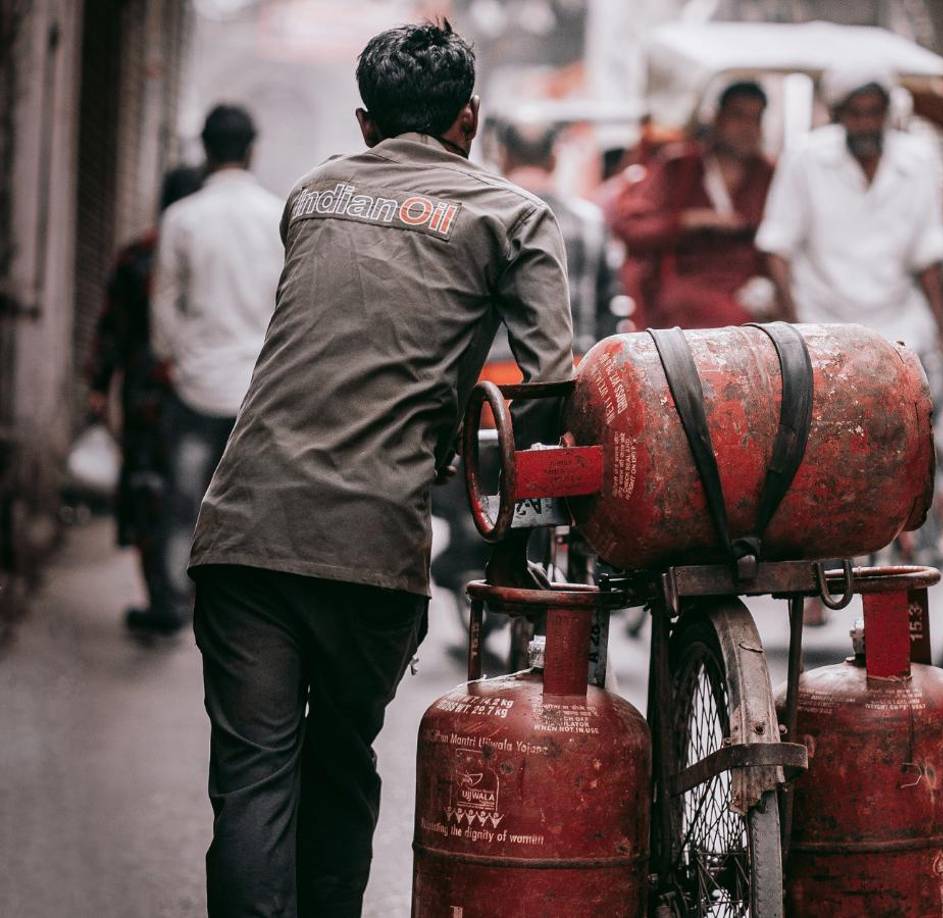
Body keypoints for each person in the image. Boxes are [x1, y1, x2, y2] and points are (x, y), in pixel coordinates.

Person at [187, 21, 573, 917]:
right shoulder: (510, 216)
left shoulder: (313, 193)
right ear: (470, 117)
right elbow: (550, 383)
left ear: (366, 125)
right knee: (339, 761)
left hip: (241, 525)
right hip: (369, 539)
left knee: (250, 779)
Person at [139, 105, 282, 637]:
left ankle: (176, 603)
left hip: (195, 383)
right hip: (256, 389)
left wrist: (175, 357)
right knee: (251, 507)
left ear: (204, 149)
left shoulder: (182, 217)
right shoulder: (277, 214)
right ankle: (243, 610)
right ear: (251, 148)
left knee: (183, 502)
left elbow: (164, 305)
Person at [756, 66, 943, 357]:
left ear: (887, 114)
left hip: (899, 328)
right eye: (855, 114)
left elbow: (928, 255)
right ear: (838, 116)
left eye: (874, 113)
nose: (866, 124)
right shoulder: (804, 158)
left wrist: (941, 333)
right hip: (819, 326)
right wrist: (794, 331)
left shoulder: (918, 160)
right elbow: (777, 247)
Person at [87, 165, 202, 630]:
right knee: (193, 494)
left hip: (144, 397)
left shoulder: (137, 254)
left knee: (146, 489)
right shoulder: (205, 254)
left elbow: (111, 328)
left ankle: (160, 596)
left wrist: (98, 386)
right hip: (196, 394)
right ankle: (187, 593)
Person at [611, 81, 775, 329]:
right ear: (717, 118)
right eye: (739, 116)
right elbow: (632, 229)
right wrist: (688, 221)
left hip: (751, 297)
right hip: (684, 303)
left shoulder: (768, 174)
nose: (747, 128)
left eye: (756, 119)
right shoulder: (679, 167)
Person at [497, 119, 619, 351]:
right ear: (553, 160)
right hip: (572, 368)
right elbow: (609, 305)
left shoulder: (483, 217)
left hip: (494, 374)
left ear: (504, 158)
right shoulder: (590, 221)